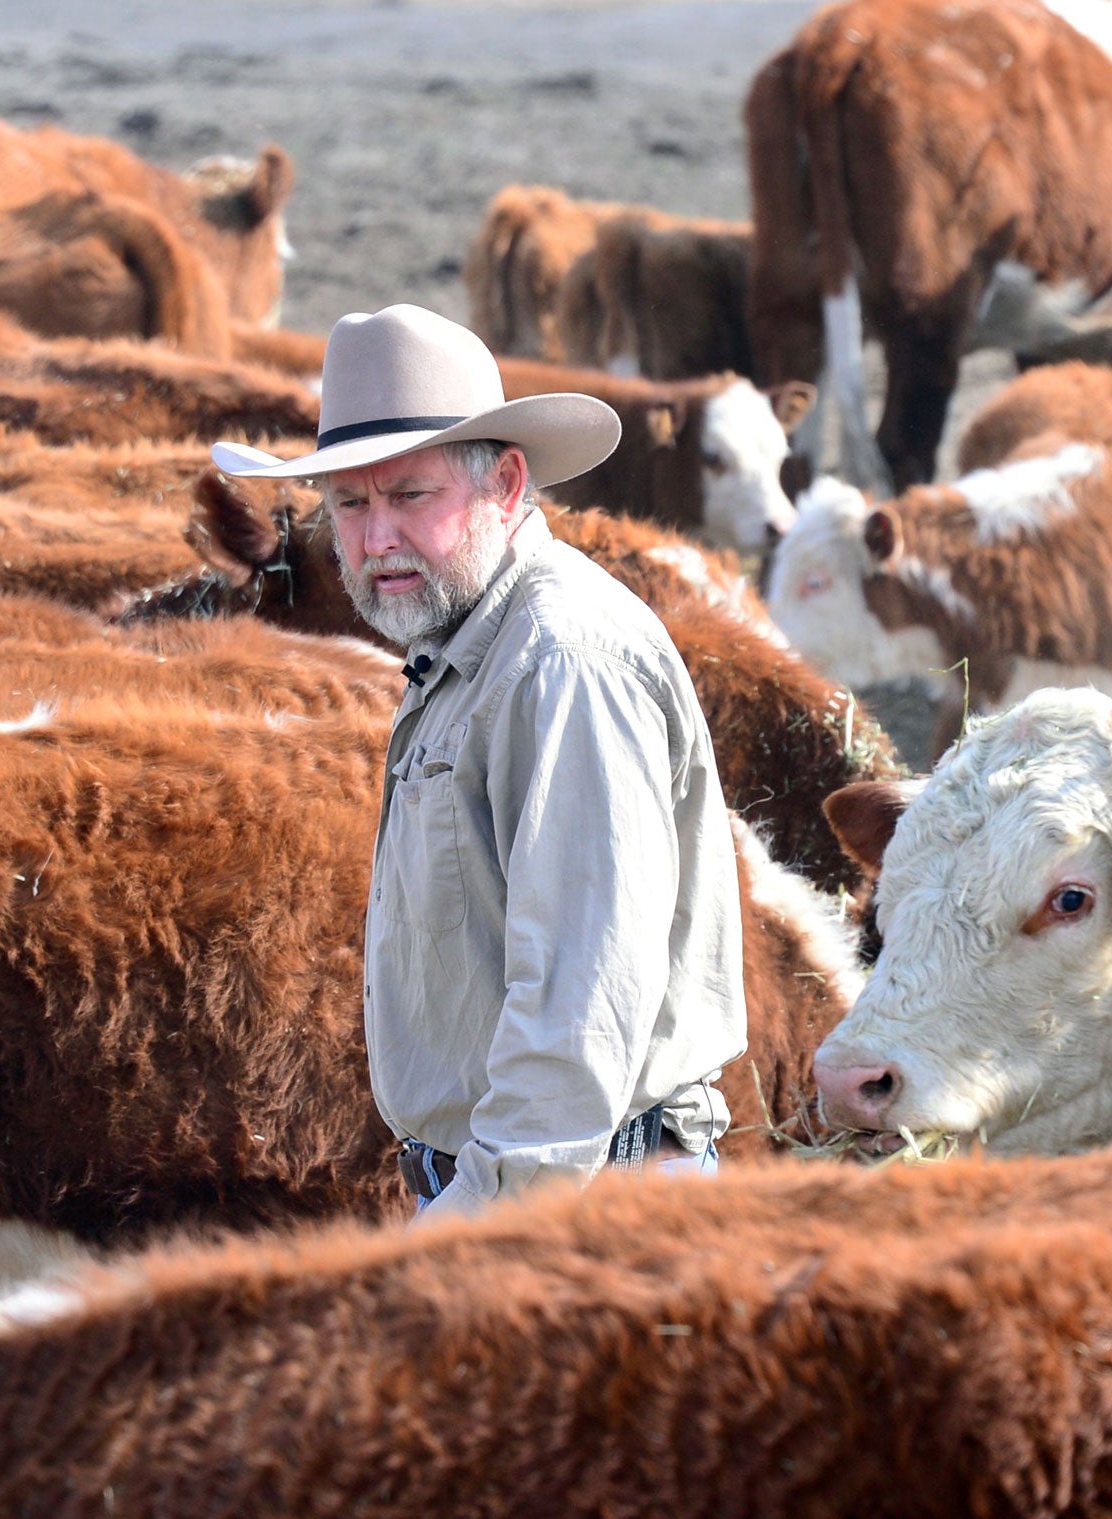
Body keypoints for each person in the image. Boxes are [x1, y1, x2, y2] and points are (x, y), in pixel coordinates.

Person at [213, 305, 745, 1217]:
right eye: (349, 502)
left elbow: (581, 1009)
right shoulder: (469, 645)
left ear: (505, 483)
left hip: (572, 1206)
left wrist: (473, 1235)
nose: (376, 539)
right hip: (530, 1186)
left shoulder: (561, 661)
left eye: (410, 495)